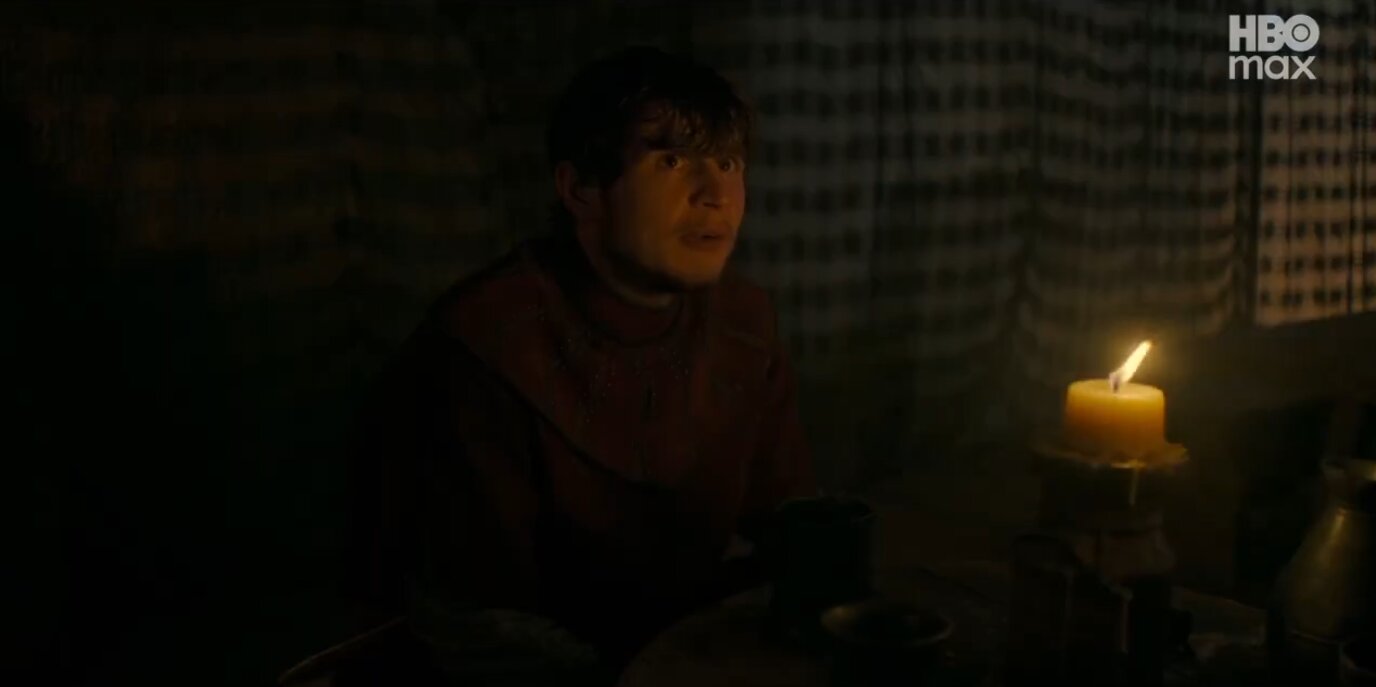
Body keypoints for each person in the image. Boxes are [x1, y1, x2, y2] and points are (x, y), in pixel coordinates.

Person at [348, 45, 816, 686]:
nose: (716, 196)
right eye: (672, 161)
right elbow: (477, 618)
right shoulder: (486, 342)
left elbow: (789, 523)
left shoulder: (743, 321)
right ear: (581, 189)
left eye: (729, 163)